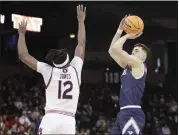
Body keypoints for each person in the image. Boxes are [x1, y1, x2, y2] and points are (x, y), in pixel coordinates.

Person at [17, 5, 86, 134]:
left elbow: (23, 55)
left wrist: (21, 34)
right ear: (68, 59)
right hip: (68, 121)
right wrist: (81, 21)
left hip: (51, 118)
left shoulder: (49, 71)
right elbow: (81, 43)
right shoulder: (75, 69)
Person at [108, 15, 150, 135]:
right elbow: (111, 51)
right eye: (132, 51)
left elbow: (116, 49)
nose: (132, 52)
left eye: (136, 51)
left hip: (133, 112)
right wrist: (119, 31)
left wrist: (127, 35)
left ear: (143, 57)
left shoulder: (139, 64)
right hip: (122, 113)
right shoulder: (128, 66)